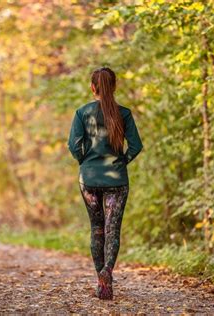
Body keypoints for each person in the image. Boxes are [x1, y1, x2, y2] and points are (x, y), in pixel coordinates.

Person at [68, 67, 143, 300]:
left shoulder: (82, 113)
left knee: (97, 228)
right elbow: (136, 146)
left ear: (93, 88)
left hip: (89, 179)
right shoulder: (124, 113)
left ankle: (101, 282)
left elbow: (74, 146)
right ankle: (107, 271)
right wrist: (122, 161)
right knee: (112, 230)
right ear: (114, 87)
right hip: (116, 180)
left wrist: (86, 162)